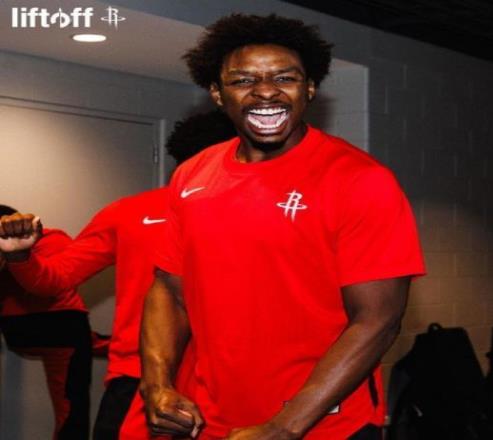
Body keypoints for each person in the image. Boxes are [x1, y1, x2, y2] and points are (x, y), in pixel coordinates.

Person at [140, 13, 426, 440]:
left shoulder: (360, 180)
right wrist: (157, 383)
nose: (266, 91)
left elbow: (377, 320)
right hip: (214, 418)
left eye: (285, 77)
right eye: (243, 80)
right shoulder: (192, 174)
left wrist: (284, 427)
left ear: (309, 88)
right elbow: (169, 288)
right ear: (217, 93)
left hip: (323, 425)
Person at [0, 110, 236, 440]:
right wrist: (19, 255)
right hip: (138, 377)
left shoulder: (262, 214)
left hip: (226, 379)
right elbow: (54, 279)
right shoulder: (128, 213)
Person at [0, 204, 92, 440]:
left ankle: (119, 344)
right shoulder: (52, 239)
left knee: (70, 412)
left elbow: (53, 282)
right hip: (40, 330)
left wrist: (16, 255)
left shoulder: (50, 240)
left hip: (55, 326)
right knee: (71, 412)